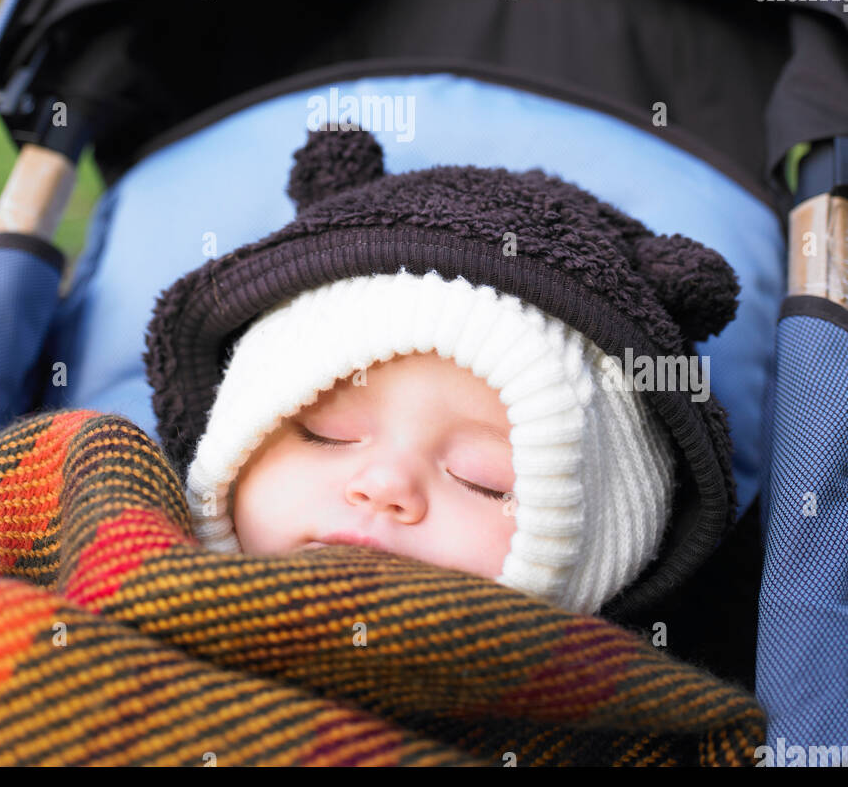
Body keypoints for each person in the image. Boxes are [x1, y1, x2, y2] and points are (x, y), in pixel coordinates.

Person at [145, 122, 741, 617]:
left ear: (602, 549)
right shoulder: (116, 539)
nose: (384, 487)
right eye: (324, 434)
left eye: (484, 479)